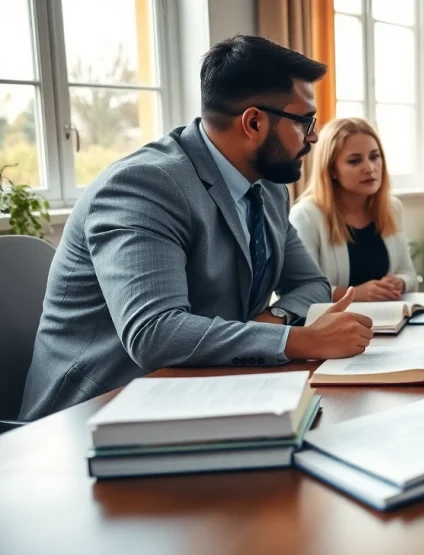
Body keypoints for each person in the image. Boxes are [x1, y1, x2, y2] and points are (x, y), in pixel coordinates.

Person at [19, 35, 374, 421]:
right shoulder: (144, 186)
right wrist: (298, 339)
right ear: (253, 122)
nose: (313, 136)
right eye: (305, 120)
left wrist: (275, 320)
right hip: (91, 416)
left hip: (203, 392)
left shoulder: (268, 188)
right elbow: (154, 334)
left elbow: (310, 284)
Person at [289, 118, 418, 302]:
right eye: (355, 161)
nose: (370, 168)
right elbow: (299, 290)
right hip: (330, 325)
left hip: (390, 322)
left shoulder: (391, 207)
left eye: (374, 157)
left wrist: (399, 282)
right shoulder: (307, 216)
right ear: (332, 169)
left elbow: (410, 275)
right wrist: (354, 295)